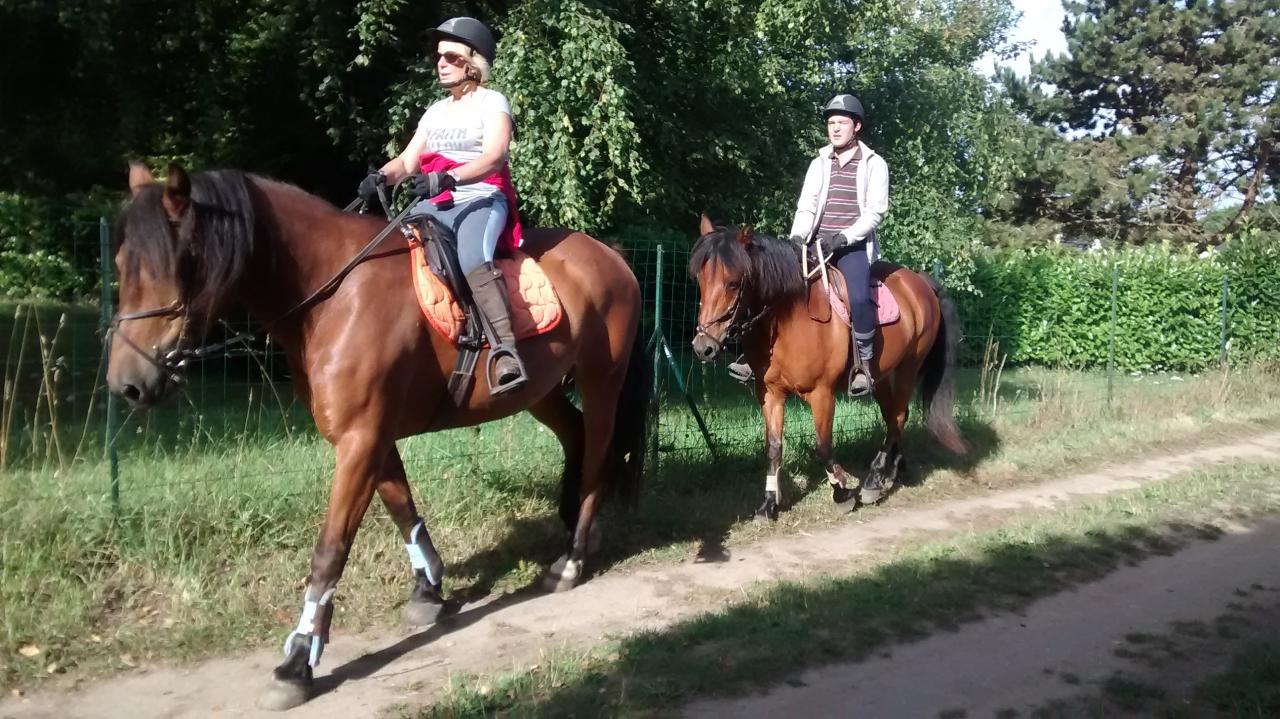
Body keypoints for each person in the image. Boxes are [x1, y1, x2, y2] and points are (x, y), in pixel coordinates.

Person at [356, 16, 527, 395]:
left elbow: (495, 157)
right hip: (436, 203)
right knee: (391, 251)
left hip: (481, 199)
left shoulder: (492, 102)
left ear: (473, 62)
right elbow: (406, 161)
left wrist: (449, 177)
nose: (441, 63)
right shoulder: (434, 112)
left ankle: (505, 352)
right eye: (438, 57)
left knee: (472, 259)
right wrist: (381, 177)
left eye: (450, 56)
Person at [788, 94, 889, 396]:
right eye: (831, 123)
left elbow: (875, 212)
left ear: (856, 126)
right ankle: (755, 358)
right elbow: (807, 206)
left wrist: (844, 237)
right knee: (776, 284)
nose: (834, 129)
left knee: (858, 296)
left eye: (841, 123)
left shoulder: (874, 164)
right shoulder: (819, 163)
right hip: (814, 243)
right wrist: (797, 237)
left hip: (850, 247)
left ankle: (864, 366)